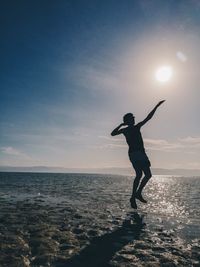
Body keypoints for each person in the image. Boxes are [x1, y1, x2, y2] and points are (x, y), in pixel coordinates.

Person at [111, 100, 165, 209]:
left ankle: (136, 195)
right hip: (135, 154)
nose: (134, 119)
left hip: (139, 154)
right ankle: (135, 195)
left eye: (134, 118)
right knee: (141, 175)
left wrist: (156, 107)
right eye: (132, 118)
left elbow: (148, 118)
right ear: (128, 120)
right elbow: (112, 134)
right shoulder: (128, 129)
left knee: (147, 175)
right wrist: (121, 124)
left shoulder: (132, 128)